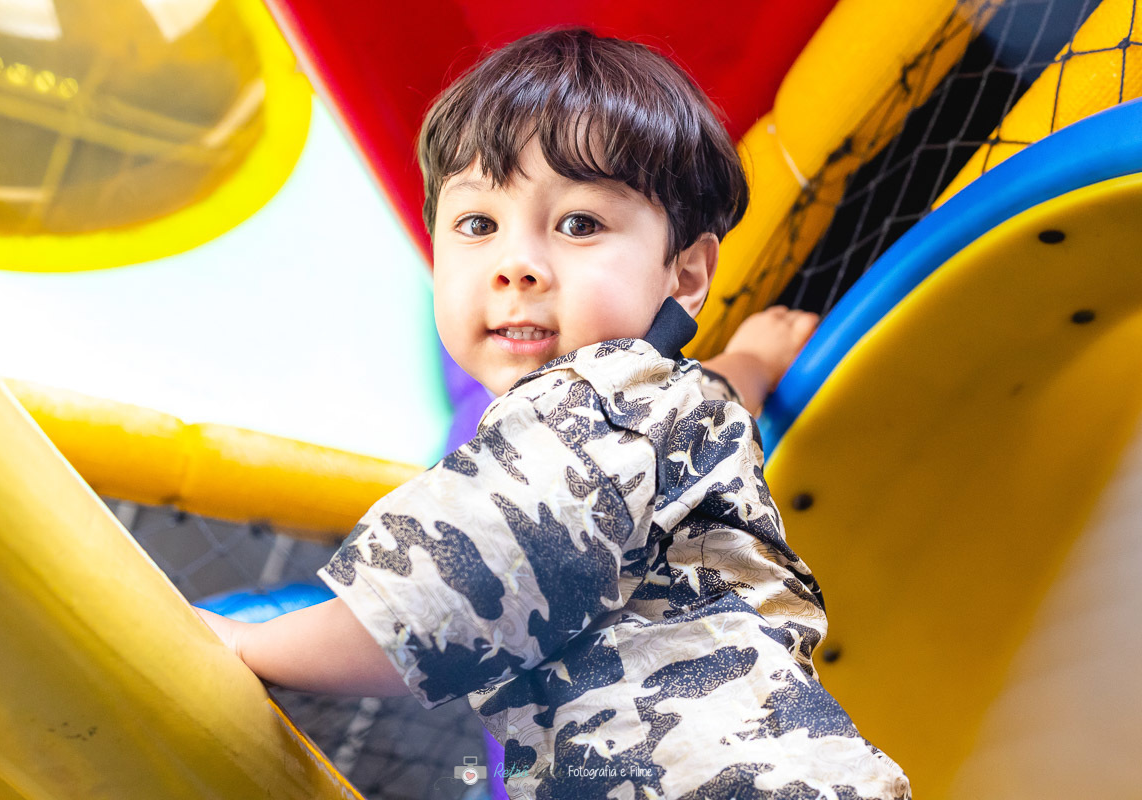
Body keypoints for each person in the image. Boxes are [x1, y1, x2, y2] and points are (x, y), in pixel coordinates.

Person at [198, 28, 912, 800]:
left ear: (685, 273)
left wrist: (247, 643)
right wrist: (753, 362)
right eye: (477, 225)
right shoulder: (658, 408)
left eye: (578, 224)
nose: (516, 264)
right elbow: (712, 392)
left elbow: (457, 586)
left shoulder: (598, 400)